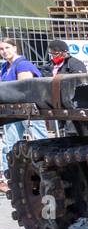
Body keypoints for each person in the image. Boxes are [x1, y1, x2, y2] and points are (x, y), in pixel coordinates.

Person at [0, 38, 52, 194]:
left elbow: (25, 88)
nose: (4, 51)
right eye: (1, 49)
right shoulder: (4, 67)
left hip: (28, 109)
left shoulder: (23, 65)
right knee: (10, 143)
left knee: (39, 139)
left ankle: (47, 170)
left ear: (15, 48)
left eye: (7, 47)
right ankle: (10, 177)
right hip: (12, 111)